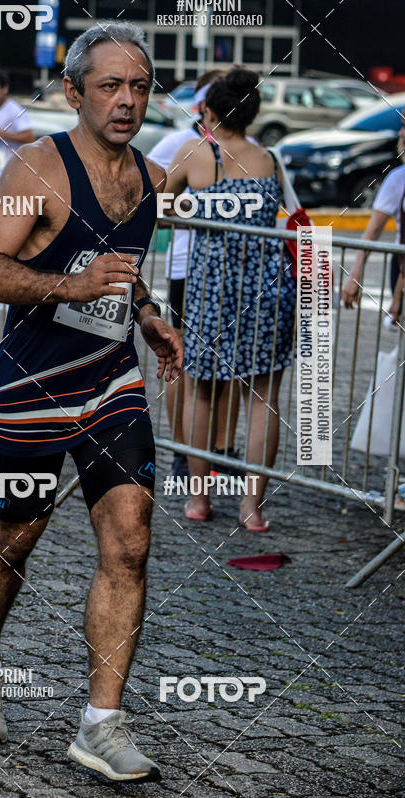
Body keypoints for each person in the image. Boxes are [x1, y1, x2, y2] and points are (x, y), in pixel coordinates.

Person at [0, 22, 182, 782]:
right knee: (13, 541)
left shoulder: (151, 178)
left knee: (130, 541)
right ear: (73, 91)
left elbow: (127, 271)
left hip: (111, 382)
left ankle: (101, 724)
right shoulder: (35, 168)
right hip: (32, 385)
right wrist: (71, 286)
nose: (127, 101)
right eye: (110, 86)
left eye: (140, 87)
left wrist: (150, 318)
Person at [166, 67, 296, 530]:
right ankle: (252, 508)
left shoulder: (195, 155)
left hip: (212, 290)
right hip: (267, 292)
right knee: (263, 399)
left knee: (202, 392)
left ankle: (199, 500)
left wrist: (192, 210)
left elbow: (158, 212)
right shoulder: (271, 160)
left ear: (211, 112)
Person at [148, 69, 244, 480]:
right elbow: (152, 200)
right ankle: (184, 452)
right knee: (184, 361)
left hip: (236, 272)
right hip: (189, 267)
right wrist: (199, 213)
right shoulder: (178, 143)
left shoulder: (249, 148)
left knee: (232, 366)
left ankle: (221, 451)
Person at [342, 121, 405, 320]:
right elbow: (373, 230)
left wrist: (398, 293)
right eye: (402, 126)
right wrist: (355, 275)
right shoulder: (398, 179)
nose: (402, 134)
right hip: (401, 264)